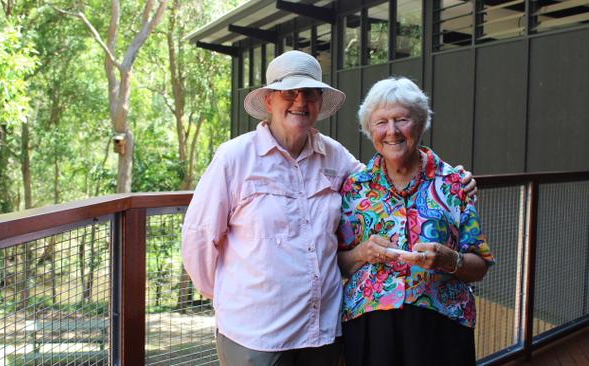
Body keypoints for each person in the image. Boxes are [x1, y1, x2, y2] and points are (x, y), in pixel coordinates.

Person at [182, 51, 475, 366]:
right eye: (289, 92)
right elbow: (199, 239)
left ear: (319, 104)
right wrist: (232, 297)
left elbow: (387, 180)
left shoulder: (335, 157)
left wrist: (450, 177)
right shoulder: (234, 158)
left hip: (320, 332)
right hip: (256, 333)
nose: (300, 100)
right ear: (268, 101)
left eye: (309, 93)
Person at [337, 77, 494, 366]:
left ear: (420, 124)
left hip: (441, 325)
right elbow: (339, 262)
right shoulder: (354, 188)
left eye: (401, 120)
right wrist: (362, 253)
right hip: (371, 327)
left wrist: (450, 260)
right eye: (380, 122)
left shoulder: (454, 184)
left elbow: (480, 265)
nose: (391, 131)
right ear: (369, 129)